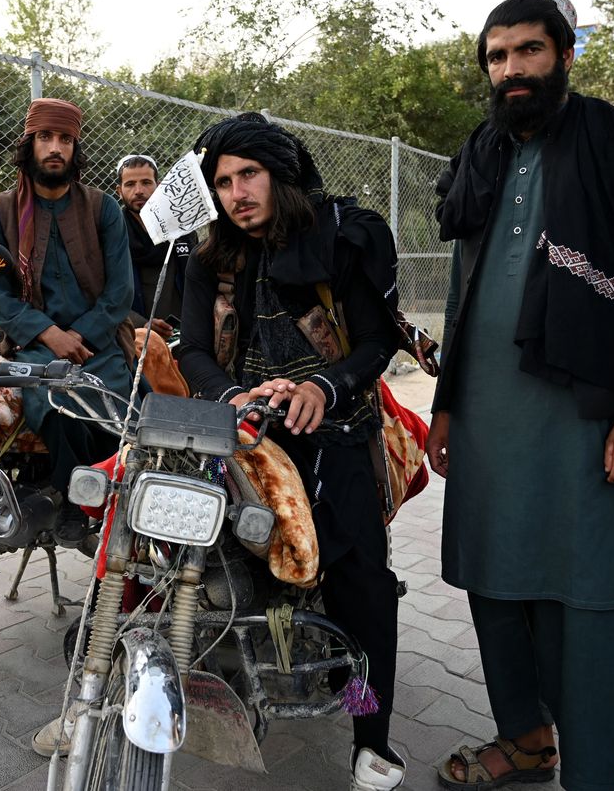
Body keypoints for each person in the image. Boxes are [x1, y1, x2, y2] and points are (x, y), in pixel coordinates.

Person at [426, 0, 614, 791]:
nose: (512, 68)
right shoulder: (483, 151)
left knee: (580, 604)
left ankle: (593, 776)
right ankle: (524, 740)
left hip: (586, 417)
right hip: (485, 416)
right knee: (490, 580)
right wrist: (445, 402)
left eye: (529, 51)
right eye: (498, 55)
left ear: (566, 54)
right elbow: (461, 284)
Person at [179, 113, 407, 791]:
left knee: (361, 584)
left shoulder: (345, 236)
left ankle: (369, 727)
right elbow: (191, 348)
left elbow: (376, 342)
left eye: (249, 174)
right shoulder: (209, 258)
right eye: (223, 181)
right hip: (250, 443)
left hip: (337, 435)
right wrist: (229, 393)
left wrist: (324, 384)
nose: (236, 192)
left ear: (280, 174)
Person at [0, 98, 135, 543]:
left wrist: (79, 335)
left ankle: (107, 505)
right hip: (37, 346)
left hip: (97, 344)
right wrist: (49, 334)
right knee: (57, 406)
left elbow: (121, 291)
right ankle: (71, 499)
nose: (55, 148)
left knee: (110, 410)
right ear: (29, 144)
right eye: (45, 137)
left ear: (75, 148)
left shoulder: (104, 210)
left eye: (65, 139)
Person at [115, 153, 195, 340]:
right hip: (134, 336)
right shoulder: (112, 233)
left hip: (186, 330)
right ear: (119, 191)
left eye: (146, 182)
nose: (139, 191)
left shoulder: (181, 228)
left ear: (158, 186)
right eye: (130, 184)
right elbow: (105, 294)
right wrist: (141, 324)